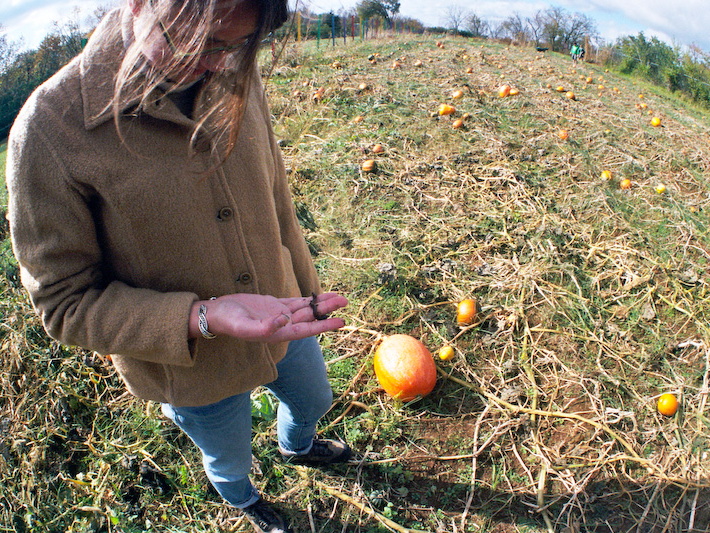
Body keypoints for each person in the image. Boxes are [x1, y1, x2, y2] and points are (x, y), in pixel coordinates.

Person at [6, 1, 351, 532]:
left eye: (236, 45)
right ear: (143, 3)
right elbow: (65, 303)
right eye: (200, 43)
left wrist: (305, 288)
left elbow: (275, 189)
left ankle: (297, 446)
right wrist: (204, 316)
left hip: (286, 314)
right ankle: (243, 499)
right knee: (229, 454)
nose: (218, 63)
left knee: (313, 399)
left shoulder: (234, 64)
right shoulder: (51, 131)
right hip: (191, 369)